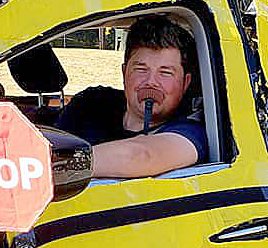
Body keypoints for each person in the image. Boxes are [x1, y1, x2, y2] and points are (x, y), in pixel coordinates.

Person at [55, 15, 207, 178]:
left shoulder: (191, 131)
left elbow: (141, 156)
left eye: (165, 73)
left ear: (185, 83)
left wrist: (51, 167)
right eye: (141, 69)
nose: (151, 82)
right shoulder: (90, 103)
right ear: (124, 73)